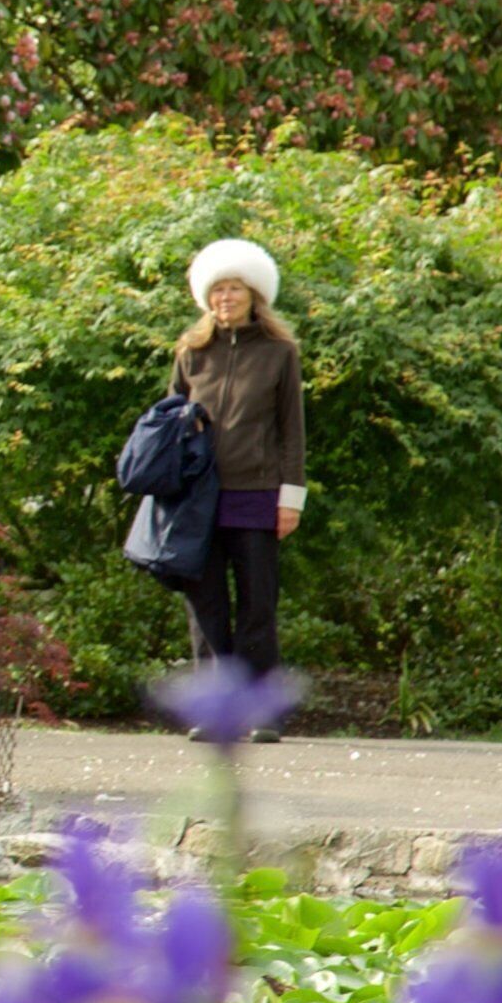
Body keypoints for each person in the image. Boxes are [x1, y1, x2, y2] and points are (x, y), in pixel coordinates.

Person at [169, 238, 304, 711]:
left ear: (253, 296)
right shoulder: (190, 353)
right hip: (199, 500)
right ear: (207, 297)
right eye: (218, 290)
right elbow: (169, 426)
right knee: (205, 608)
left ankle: (261, 709)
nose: (225, 298)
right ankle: (214, 709)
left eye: (235, 289)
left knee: (258, 606)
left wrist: (291, 499)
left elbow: (292, 430)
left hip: (257, 495)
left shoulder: (279, 353)